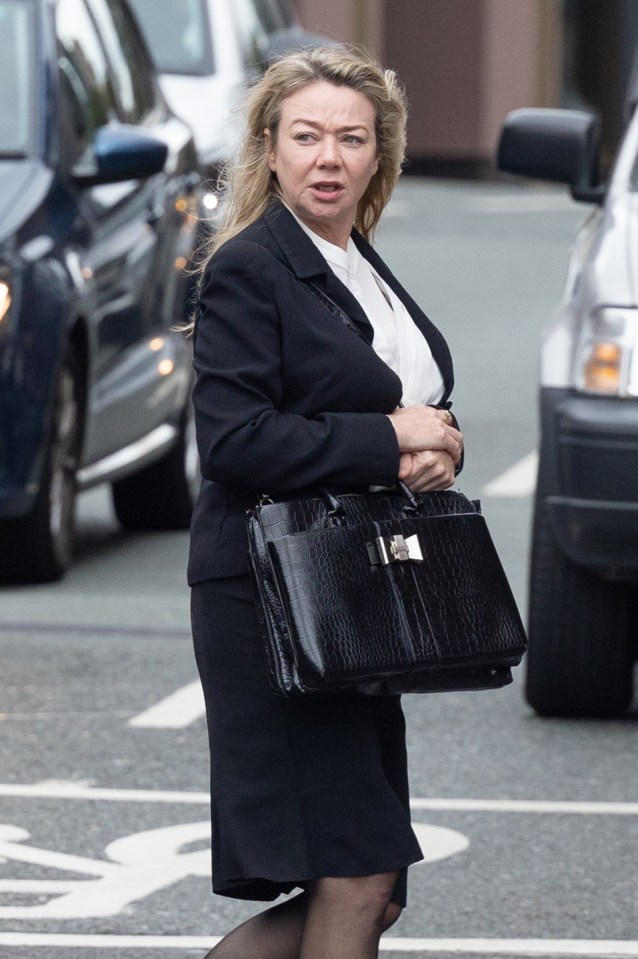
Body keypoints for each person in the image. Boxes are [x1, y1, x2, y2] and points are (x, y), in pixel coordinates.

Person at [188, 45, 464, 959]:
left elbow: (407, 400)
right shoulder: (249, 267)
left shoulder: (358, 265)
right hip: (271, 599)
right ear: (269, 148)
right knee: (357, 868)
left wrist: (440, 443)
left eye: (351, 138)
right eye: (306, 136)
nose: (328, 157)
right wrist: (394, 440)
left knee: (373, 885)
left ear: (379, 154)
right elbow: (235, 440)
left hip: (351, 598)